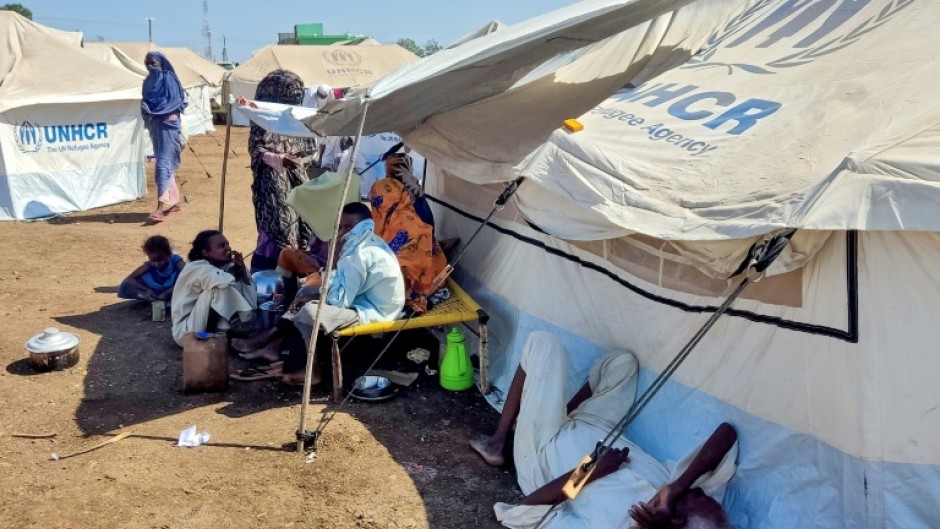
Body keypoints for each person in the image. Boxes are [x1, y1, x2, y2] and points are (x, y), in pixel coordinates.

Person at [470, 332, 738, 529]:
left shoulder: (610, 523)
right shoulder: (678, 491)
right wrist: (677, 487)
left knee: (542, 344)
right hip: (596, 427)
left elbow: (525, 510)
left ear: (676, 520)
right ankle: (559, 412)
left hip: (545, 451)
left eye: (695, 495)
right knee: (622, 363)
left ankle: (498, 442)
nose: (696, 489)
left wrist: (590, 469)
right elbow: (726, 434)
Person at [233, 202, 405, 385]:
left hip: (375, 312)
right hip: (359, 300)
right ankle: (275, 345)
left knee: (309, 311)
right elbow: (339, 283)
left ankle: (308, 369)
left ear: (364, 226)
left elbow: (340, 300)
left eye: (348, 227)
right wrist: (332, 264)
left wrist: (319, 290)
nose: (342, 232)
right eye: (340, 227)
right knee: (306, 292)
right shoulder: (365, 243)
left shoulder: (360, 254)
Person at [248, 69, 318, 272]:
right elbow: (256, 149)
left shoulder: (297, 116)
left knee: (302, 219)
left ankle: (296, 267)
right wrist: (279, 158)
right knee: (279, 223)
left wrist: (300, 160)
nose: (295, 97)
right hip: (272, 182)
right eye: (289, 92)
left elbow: (309, 147)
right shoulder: (261, 116)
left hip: (298, 177)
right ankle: (270, 270)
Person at [369, 153, 447, 313]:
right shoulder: (414, 195)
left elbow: (379, 218)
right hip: (435, 274)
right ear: (408, 168)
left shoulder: (381, 188)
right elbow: (429, 226)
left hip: (406, 282)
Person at [170, 230, 257, 346]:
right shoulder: (196, 267)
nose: (228, 248)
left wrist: (241, 269)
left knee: (236, 275)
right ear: (205, 252)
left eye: (227, 244)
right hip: (187, 330)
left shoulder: (224, 266)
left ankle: (232, 327)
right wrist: (235, 272)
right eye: (221, 246)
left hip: (200, 320)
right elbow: (222, 281)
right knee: (219, 287)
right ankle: (210, 336)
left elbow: (248, 286)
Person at [141, 51, 187, 224]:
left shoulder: (169, 79)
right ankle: (175, 202)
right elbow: (145, 99)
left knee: (162, 165)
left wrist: (164, 112)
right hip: (155, 125)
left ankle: (160, 208)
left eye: (153, 63)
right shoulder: (148, 82)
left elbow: (177, 102)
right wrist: (146, 109)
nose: (150, 66)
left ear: (161, 62)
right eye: (147, 63)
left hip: (168, 125)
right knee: (163, 162)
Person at [118, 235, 185, 303]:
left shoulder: (175, 260)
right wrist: (146, 290)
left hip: (174, 288)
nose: (156, 264)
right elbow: (130, 278)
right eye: (153, 261)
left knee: (186, 279)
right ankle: (154, 299)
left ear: (168, 254)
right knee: (127, 283)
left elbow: (188, 275)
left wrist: (167, 293)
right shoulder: (149, 265)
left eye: (160, 260)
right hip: (157, 290)